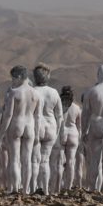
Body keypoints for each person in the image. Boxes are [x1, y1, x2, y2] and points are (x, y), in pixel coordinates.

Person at [0, 65, 40, 195]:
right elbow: (37, 116)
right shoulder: (36, 93)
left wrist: (0, 133)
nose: (12, 82)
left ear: (19, 77)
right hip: (30, 126)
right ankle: (26, 190)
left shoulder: (14, 92)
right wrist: (37, 134)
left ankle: (13, 189)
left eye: (13, 79)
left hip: (16, 124)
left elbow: (8, 115)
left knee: (14, 159)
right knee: (27, 160)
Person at [31, 64, 63, 195]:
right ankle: (45, 189)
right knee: (45, 160)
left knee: (34, 160)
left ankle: (33, 188)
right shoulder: (54, 92)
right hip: (50, 126)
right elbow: (59, 115)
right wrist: (57, 131)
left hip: (35, 127)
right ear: (47, 76)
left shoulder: (32, 91)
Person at [55, 86, 81, 194]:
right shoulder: (76, 108)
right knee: (71, 162)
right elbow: (79, 126)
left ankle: (57, 188)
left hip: (62, 133)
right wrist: (80, 139)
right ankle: (68, 188)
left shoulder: (59, 107)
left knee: (60, 162)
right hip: (73, 134)